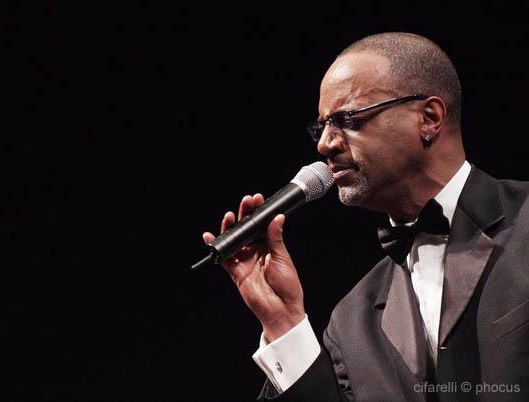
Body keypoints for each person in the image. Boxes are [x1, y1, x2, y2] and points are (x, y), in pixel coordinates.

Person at [202, 32, 529, 402]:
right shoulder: (351, 324)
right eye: (321, 127)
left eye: (348, 119)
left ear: (429, 118)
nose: (325, 144)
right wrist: (284, 321)